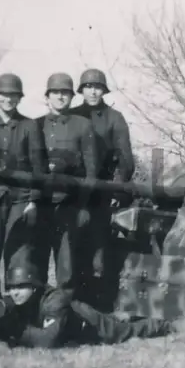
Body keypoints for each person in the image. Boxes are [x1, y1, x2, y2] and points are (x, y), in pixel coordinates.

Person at [0, 259, 172, 348]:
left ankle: (166, 324)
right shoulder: (17, 302)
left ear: (35, 286)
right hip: (72, 325)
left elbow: (47, 341)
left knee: (124, 332)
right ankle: (124, 316)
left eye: (21, 286)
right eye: (11, 287)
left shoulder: (55, 302)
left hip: (90, 324)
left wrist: (16, 330)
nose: (14, 292)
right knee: (119, 320)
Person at [0, 73, 48, 298]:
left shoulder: (29, 125)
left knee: (17, 252)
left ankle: (14, 303)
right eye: (4, 95)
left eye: (13, 95)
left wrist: (33, 200)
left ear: (19, 98)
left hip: (21, 197)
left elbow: (38, 166)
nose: (8, 100)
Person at [67, 68, 135, 291]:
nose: (93, 92)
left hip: (102, 193)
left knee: (99, 250)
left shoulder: (114, 118)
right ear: (81, 90)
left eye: (97, 87)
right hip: (75, 193)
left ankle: (100, 303)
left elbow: (125, 158)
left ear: (103, 90)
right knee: (72, 250)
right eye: (88, 87)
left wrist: (116, 190)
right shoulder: (71, 116)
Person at [33, 73, 100, 298]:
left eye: (65, 93)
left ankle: (67, 316)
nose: (61, 97)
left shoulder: (83, 125)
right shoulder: (35, 125)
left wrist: (83, 206)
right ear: (47, 96)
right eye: (56, 92)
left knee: (67, 266)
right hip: (42, 205)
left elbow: (91, 172)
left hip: (70, 205)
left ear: (72, 97)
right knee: (37, 261)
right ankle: (38, 311)